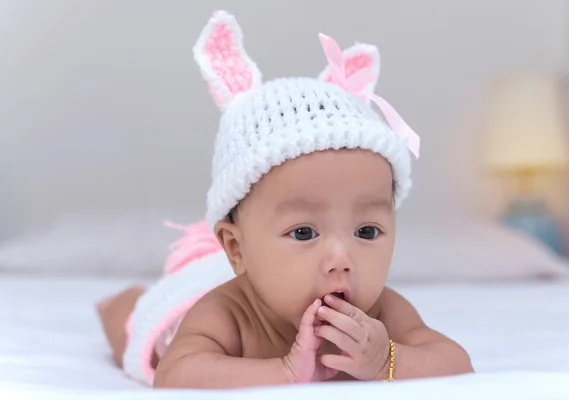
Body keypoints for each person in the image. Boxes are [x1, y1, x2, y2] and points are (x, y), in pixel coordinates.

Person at [96, 10, 474, 389]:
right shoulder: (227, 311)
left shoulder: (384, 312)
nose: (341, 260)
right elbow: (175, 375)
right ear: (236, 248)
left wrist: (387, 361)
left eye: (367, 231)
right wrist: (286, 372)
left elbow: (456, 362)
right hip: (189, 295)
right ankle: (119, 302)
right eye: (305, 232)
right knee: (132, 327)